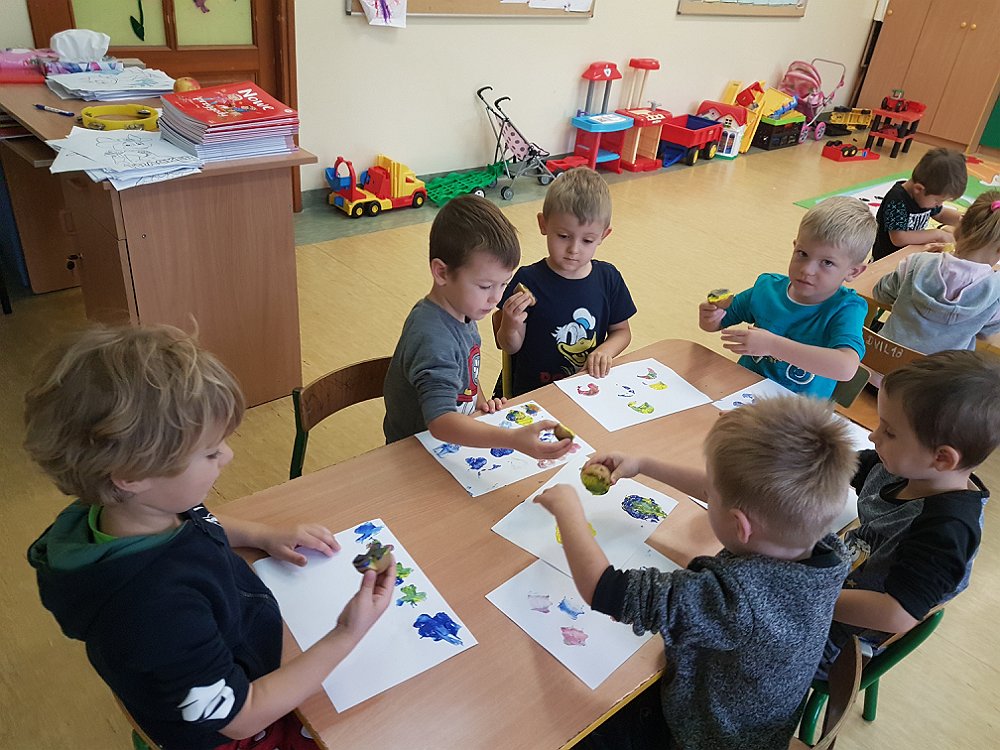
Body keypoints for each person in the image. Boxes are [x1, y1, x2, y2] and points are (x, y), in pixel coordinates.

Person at [25, 325, 395, 750]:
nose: (229, 456)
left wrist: (263, 533)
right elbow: (239, 717)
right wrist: (346, 632)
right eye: (210, 452)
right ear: (132, 475)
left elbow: (200, 521)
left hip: (236, 647)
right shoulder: (154, 610)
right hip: (228, 732)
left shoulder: (134, 510)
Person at [535, 396, 854, 750]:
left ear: (740, 526)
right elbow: (729, 493)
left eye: (709, 497)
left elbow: (604, 589)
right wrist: (642, 464)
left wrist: (568, 512)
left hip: (705, 738)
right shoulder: (824, 551)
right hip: (760, 725)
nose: (706, 495)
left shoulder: (733, 600)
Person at [821, 350, 1000, 672]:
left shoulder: (947, 530)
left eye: (889, 432)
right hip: (837, 579)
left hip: (840, 640)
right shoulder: (906, 468)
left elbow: (898, 613)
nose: (873, 436)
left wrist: (810, 595)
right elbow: (843, 464)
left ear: (942, 458)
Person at [383, 194, 572, 459]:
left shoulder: (462, 310)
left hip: (449, 445)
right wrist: (511, 439)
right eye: (485, 286)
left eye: (503, 284)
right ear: (442, 272)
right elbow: (440, 422)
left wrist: (481, 405)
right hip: (415, 455)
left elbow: (466, 375)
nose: (496, 298)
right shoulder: (433, 338)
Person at [699, 196, 875, 399]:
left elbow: (846, 368)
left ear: (853, 272)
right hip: (741, 396)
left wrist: (772, 345)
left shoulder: (847, 308)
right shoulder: (767, 288)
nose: (807, 269)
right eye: (802, 254)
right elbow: (716, 324)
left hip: (796, 412)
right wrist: (710, 317)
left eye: (827, 262)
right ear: (794, 247)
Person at [493, 167, 636, 397]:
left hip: (583, 391)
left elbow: (622, 332)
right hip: (533, 396)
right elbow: (509, 346)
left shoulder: (608, 278)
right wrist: (510, 323)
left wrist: (605, 351)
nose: (574, 249)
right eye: (563, 236)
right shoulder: (527, 281)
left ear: (603, 235)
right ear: (543, 224)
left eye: (587, 240)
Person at [871, 191, 1000, 353]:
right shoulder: (995, 291)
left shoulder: (917, 263)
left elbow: (881, 293)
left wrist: (921, 260)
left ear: (959, 227)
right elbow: (986, 333)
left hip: (882, 360)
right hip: (938, 369)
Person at [871, 147, 966, 261]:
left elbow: (940, 214)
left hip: (911, 255)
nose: (938, 205)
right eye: (937, 201)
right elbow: (899, 238)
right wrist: (938, 234)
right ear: (918, 189)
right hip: (887, 260)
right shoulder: (897, 199)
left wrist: (965, 220)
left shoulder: (925, 196)